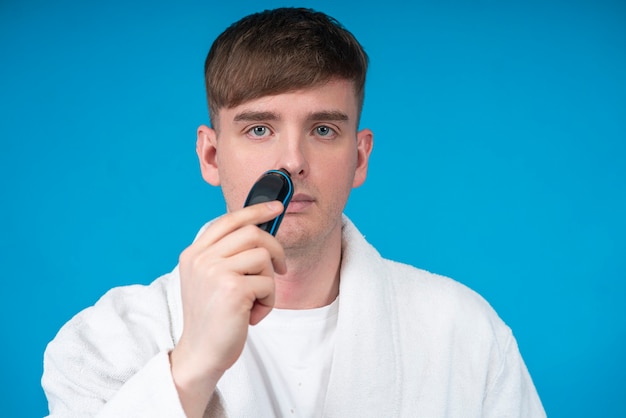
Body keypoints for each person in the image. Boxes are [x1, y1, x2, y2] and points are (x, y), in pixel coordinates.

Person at [42, 7, 545, 417]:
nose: (293, 162)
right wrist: (190, 366)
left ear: (360, 157)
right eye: (259, 129)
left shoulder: (465, 332)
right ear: (211, 156)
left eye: (323, 129)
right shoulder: (107, 339)